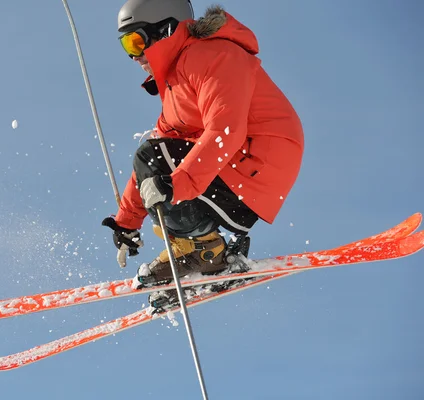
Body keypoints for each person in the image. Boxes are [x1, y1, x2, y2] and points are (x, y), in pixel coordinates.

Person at [102, 0, 304, 307]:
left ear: (165, 30)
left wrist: (176, 186)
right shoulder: (176, 83)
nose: (133, 56)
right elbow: (155, 157)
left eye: (137, 41)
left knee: (155, 161)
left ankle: (204, 251)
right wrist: (127, 222)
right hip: (236, 170)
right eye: (126, 46)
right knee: (152, 159)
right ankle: (191, 254)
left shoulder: (213, 56)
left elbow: (226, 130)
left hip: (257, 164)